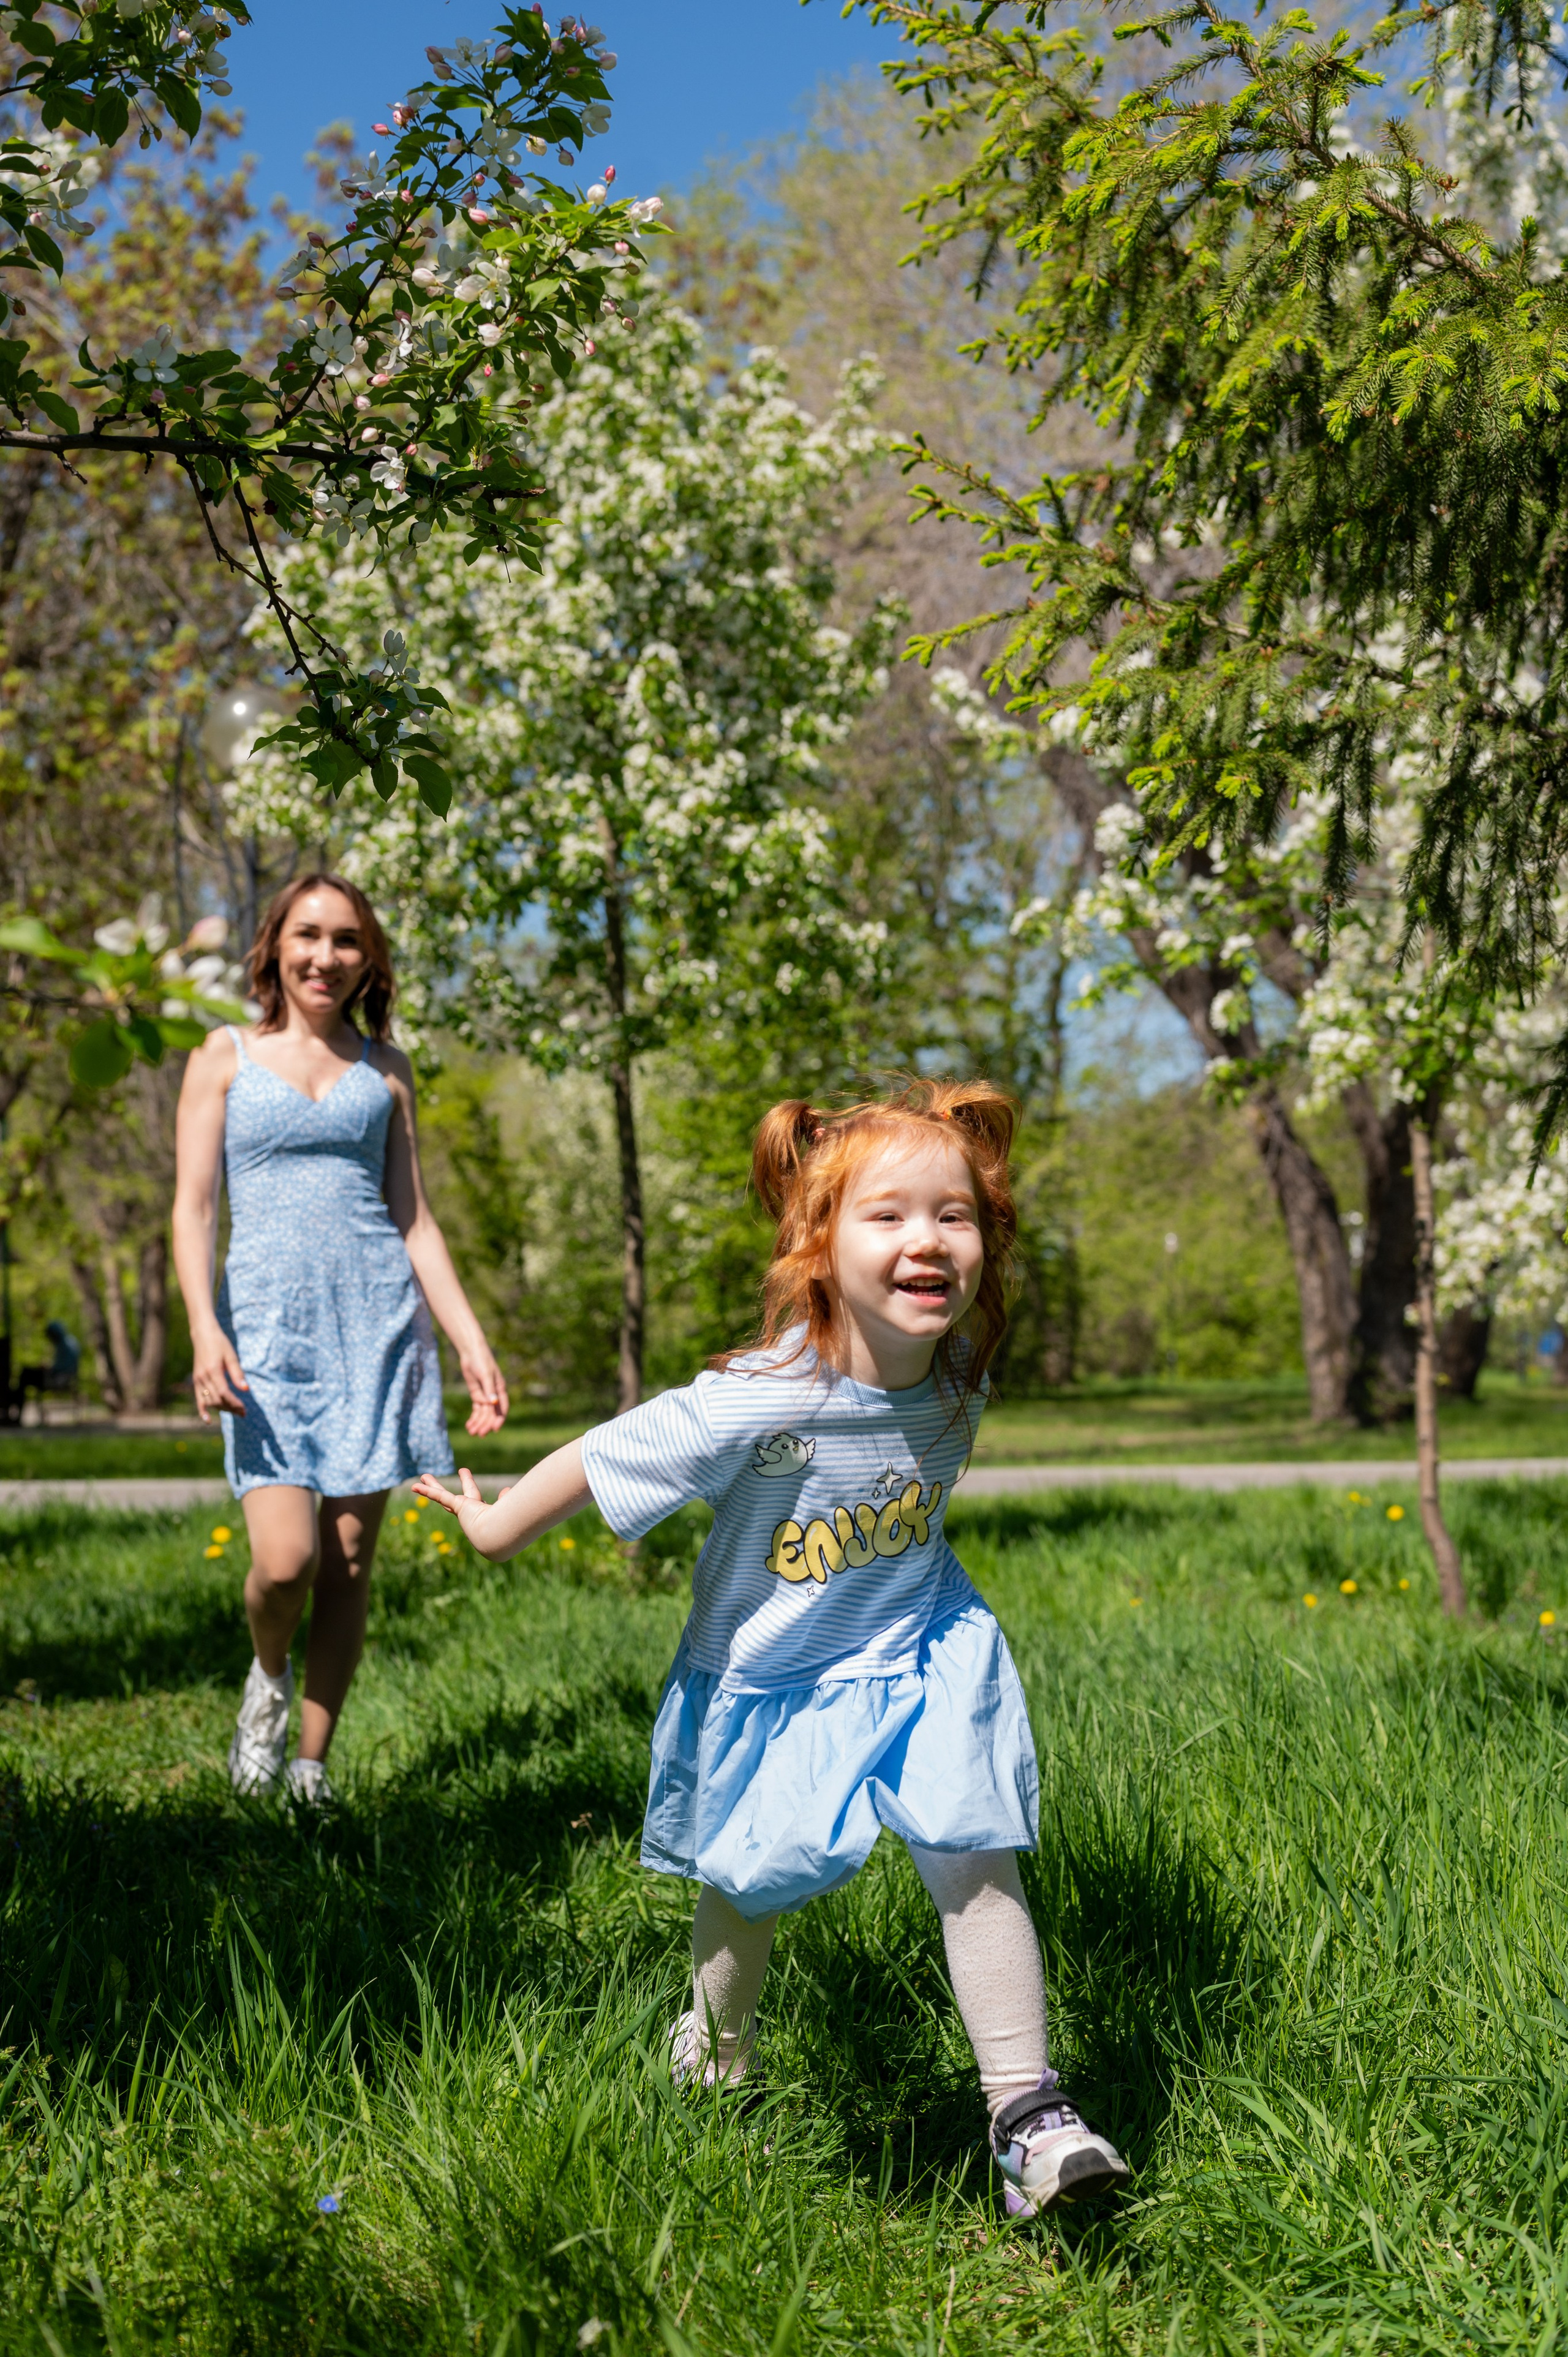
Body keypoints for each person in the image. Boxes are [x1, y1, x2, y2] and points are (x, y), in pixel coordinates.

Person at [415, 1077, 1128, 2219]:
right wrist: (493, 1526)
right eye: (887, 1216)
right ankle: (713, 2059)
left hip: (925, 1643)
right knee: (750, 1886)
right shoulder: (761, 1399)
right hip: (775, 1678)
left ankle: (1026, 2114)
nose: (928, 1241)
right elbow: (607, 1451)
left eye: (955, 1215)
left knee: (972, 1850)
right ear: (818, 1240)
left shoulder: (958, 1373)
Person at [173, 872, 508, 1803]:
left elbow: (417, 1222)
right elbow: (194, 1208)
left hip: (378, 1329)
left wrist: (470, 1340)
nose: (327, 956)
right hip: (268, 1336)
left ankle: (311, 1766)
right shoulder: (224, 1055)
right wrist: (205, 1326)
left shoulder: (387, 1070)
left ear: (371, 960)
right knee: (286, 1563)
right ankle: (267, 1682)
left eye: (349, 940)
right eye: (310, 936)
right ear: (275, 945)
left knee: (352, 1562)